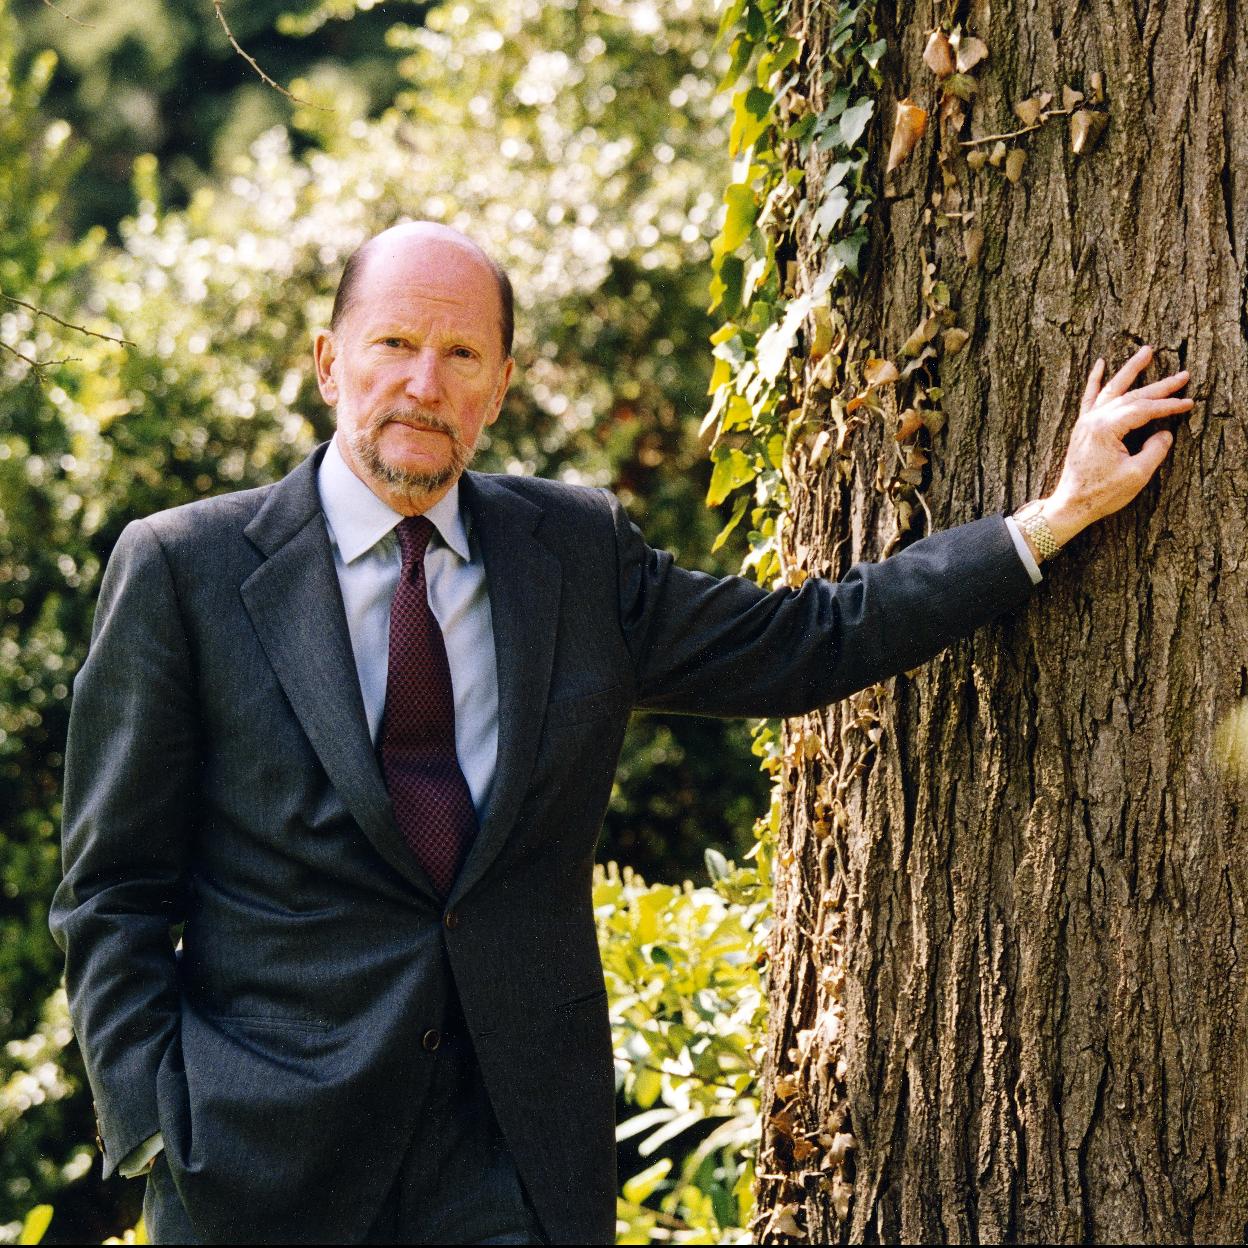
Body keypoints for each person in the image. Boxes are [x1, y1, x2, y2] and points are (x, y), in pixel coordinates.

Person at [50, 221, 1191, 1245]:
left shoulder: (574, 555)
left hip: (509, 1165)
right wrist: (158, 1125)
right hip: (258, 1171)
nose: (420, 383)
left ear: (500, 385)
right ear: (327, 363)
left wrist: (1057, 515)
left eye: (459, 356)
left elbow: (809, 642)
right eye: (393, 344)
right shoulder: (185, 571)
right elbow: (112, 889)